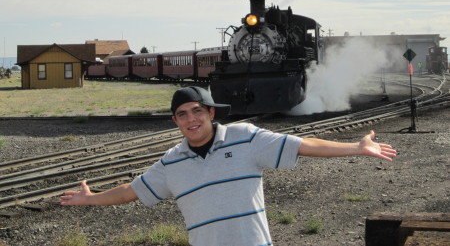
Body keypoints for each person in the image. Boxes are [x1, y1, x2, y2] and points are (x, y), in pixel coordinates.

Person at [60, 86, 397, 246]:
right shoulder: (171, 162)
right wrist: (91, 198)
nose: (190, 119)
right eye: (182, 114)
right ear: (175, 121)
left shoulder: (246, 138)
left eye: (196, 111)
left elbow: (303, 145)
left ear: (210, 113)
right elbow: (131, 191)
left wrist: (356, 147)